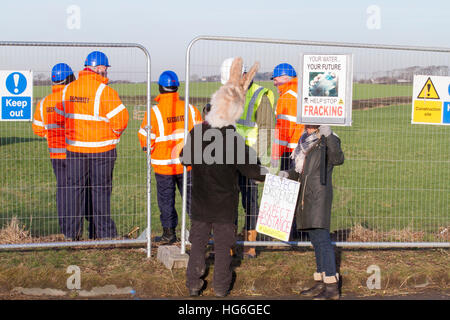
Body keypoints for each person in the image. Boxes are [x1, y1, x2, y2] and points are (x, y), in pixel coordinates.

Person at [181, 57, 267, 297]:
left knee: (197, 243)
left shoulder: (197, 132)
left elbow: (183, 158)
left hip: (200, 202)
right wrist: (274, 176)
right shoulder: (233, 139)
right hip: (224, 206)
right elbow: (253, 171)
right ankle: (220, 287)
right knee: (222, 246)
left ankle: (193, 284)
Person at [56, 51, 129, 240]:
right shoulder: (105, 92)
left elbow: (58, 116)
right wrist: (112, 135)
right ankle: (104, 235)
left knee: (74, 191)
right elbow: (121, 121)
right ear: (100, 68)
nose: (107, 72)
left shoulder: (68, 89)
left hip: (75, 149)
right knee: (100, 191)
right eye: (106, 69)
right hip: (102, 150)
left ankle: (71, 234)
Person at [279, 124, 344, 300]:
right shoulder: (304, 142)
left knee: (322, 239)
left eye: (311, 125)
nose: (307, 128)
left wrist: (329, 135)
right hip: (306, 196)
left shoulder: (328, 140)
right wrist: (288, 174)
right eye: (306, 124)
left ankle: (331, 287)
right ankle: (322, 280)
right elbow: (302, 173)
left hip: (318, 196)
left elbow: (338, 159)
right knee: (316, 240)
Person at [220, 58, 275, 258]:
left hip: (250, 158)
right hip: (228, 159)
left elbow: (267, 129)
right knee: (229, 201)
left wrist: (256, 160)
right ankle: (230, 243)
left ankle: (250, 245)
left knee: (250, 201)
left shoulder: (260, 95)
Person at [138, 70, 202, 244]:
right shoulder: (190, 109)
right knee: (192, 199)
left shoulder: (154, 113)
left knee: (166, 201)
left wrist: (150, 151)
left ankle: (169, 234)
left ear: (160, 88)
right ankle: (201, 233)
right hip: (187, 165)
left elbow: (145, 138)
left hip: (164, 166)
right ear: (176, 88)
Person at [270, 63, 305, 171]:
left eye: (275, 80)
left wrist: (276, 154)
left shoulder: (287, 97)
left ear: (285, 78)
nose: (274, 84)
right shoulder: (302, 91)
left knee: (288, 184)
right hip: (306, 148)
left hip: (291, 153)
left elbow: (284, 130)